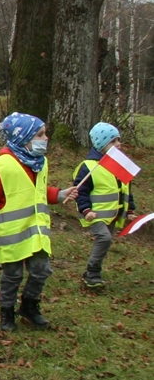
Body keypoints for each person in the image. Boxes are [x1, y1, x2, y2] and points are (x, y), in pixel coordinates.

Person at [0, 112, 78, 331]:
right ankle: (7, 312)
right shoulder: (1, 165)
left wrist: (59, 194)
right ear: (24, 138)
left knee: (41, 270)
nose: (46, 138)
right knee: (12, 275)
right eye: (40, 135)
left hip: (36, 233)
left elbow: (36, 192)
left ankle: (29, 307)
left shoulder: (40, 162)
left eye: (45, 134)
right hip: (11, 235)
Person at [73, 122, 137, 288]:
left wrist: (129, 209)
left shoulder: (118, 166)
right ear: (101, 144)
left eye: (118, 140)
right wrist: (86, 210)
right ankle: (92, 272)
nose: (118, 144)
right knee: (104, 238)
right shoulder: (88, 167)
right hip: (93, 214)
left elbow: (126, 189)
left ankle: (92, 271)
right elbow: (81, 191)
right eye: (113, 141)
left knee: (105, 241)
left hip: (111, 215)